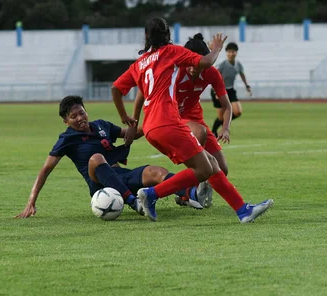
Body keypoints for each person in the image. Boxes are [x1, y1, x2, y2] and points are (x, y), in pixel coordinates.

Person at [111, 17, 273, 223]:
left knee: (213, 164)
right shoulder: (170, 52)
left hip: (152, 127)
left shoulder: (140, 63)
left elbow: (116, 88)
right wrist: (216, 48)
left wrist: (127, 118)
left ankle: (243, 211)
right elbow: (206, 61)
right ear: (168, 35)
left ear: (146, 37)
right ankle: (151, 194)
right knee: (204, 169)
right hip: (168, 122)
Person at [15, 95, 206, 219]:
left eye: (81, 112)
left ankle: (189, 194)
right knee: (96, 158)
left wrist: (156, 125)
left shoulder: (101, 125)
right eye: (74, 116)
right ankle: (134, 202)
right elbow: (45, 170)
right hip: (99, 184)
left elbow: (128, 134)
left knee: (157, 171)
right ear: (66, 121)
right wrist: (31, 202)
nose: (80, 118)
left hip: (121, 175)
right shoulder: (66, 139)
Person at [211, 42, 252, 137]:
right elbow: (213, 77)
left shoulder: (238, 64)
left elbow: (241, 74)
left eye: (233, 52)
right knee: (221, 117)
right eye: (229, 52)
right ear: (226, 53)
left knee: (238, 112)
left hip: (230, 90)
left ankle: (224, 125)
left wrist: (247, 85)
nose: (231, 54)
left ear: (236, 53)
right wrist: (215, 91)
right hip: (219, 91)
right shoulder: (222, 65)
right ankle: (213, 131)